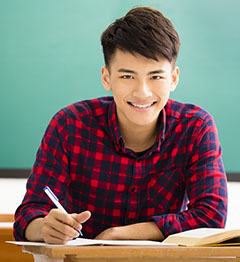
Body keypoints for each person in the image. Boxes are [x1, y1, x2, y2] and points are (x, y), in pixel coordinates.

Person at [14, 6, 227, 244]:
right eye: (127, 76)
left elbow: (212, 216)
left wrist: (121, 234)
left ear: (174, 78)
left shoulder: (196, 127)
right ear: (106, 77)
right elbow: (29, 214)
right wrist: (44, 227)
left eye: (156, 76)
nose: (142, 92)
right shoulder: (69, 125)